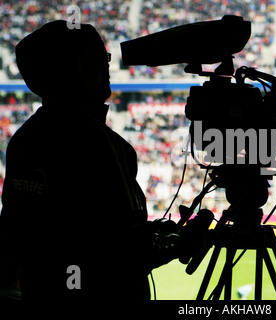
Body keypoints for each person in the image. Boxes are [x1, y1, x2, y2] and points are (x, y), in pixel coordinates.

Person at [0, 20, 182, 302]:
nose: (107, 66)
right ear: (78, 69)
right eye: (101, 58)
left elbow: (16, 229)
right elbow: (126, 252)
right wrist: (177, 242)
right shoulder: (104, 144)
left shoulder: (23, 140)